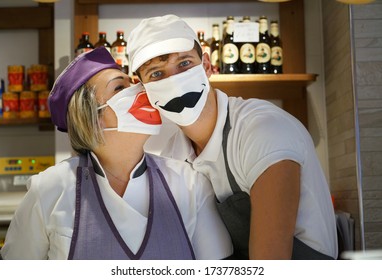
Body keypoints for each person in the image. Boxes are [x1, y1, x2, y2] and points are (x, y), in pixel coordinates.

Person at [127, 14, 338, 260]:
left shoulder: (262, 129)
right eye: (156, 74)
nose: (174, 81)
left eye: (184, 64)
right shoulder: (173, 153)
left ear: (207, 66)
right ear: (142, 89)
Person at [1, 47, 232, 260]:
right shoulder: (49, 190)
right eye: (120, 87)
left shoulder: (190, 184)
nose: (142, 89)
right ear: (91, 117)